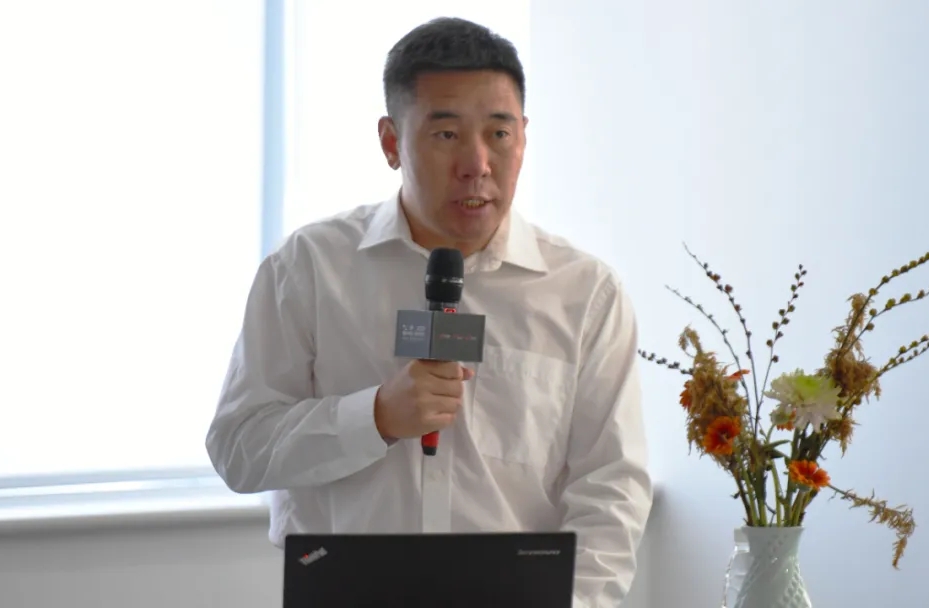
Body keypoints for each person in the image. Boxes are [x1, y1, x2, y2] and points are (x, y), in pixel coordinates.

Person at [205, 16, 652, 608]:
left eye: (499, 132)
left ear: (524, 136)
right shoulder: (310, 269)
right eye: (446, 134)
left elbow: (612, 487)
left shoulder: (585, 293)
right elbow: (238, 447)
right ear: (391, 142)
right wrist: (374, 417)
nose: (477, 163)